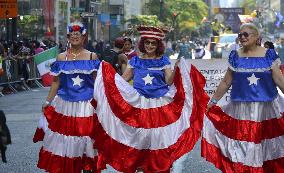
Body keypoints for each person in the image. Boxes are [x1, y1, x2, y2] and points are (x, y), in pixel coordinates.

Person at [91, 25, 208, 173]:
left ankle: (159, 166)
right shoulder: (135, 61)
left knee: (158, 137)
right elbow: (122, 80)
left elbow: (169, 81)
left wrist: (177, 67)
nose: (150, 46)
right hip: (140, 105)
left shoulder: (163, 61)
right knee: (140, 136)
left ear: (158, 45)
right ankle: (141, 165)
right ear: (143, 44)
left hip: (159, 106)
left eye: (153, 43)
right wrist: (107, 81)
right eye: (147, 43)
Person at [202, 23, 284, 172]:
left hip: (265, 109)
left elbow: (279, 80)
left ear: (256, 36)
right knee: (243, 144)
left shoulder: (269, 55)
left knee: (265, 146)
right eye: (240, 35)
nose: (242, 37)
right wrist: (212, 101)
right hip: (241, 109)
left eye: (245, 34)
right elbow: (226, 81)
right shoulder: (236, 56)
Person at [34, 22, 104, 173]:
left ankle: (86, 167)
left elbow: (98, 82)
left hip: (85, 105)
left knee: (85, 137)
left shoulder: (92, 56)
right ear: (68, 37)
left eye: (77, 35)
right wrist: (48, 101)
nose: (74, 37)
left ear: (83, 37)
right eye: (72, 35)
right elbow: (56, 82)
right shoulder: (61, 57)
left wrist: (102, 102)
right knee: (65, 139)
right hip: (64, 104)